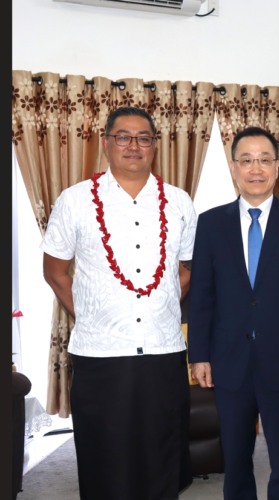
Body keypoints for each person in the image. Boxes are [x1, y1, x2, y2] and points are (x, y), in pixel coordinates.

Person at [42, 107, 197, 500]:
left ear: (155, 146)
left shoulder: (179, 203)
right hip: (99, 353)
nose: (133, 145)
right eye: (123, 137)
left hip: (162, 351)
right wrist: (91, 313)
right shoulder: (74, 200)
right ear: (106, 143)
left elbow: (187, 271)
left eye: (143, 137)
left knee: (161, 456)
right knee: (104, 458)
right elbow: (55, 271)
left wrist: (157, 307)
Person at [187, 127, 279, 500]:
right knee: (236, 457)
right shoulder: (211, 223)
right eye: (246, 160)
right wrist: (198, 355)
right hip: (228, 360)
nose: (255, 169)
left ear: (277, 168)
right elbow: (201, 295)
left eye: (264, 160)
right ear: (234, 168)